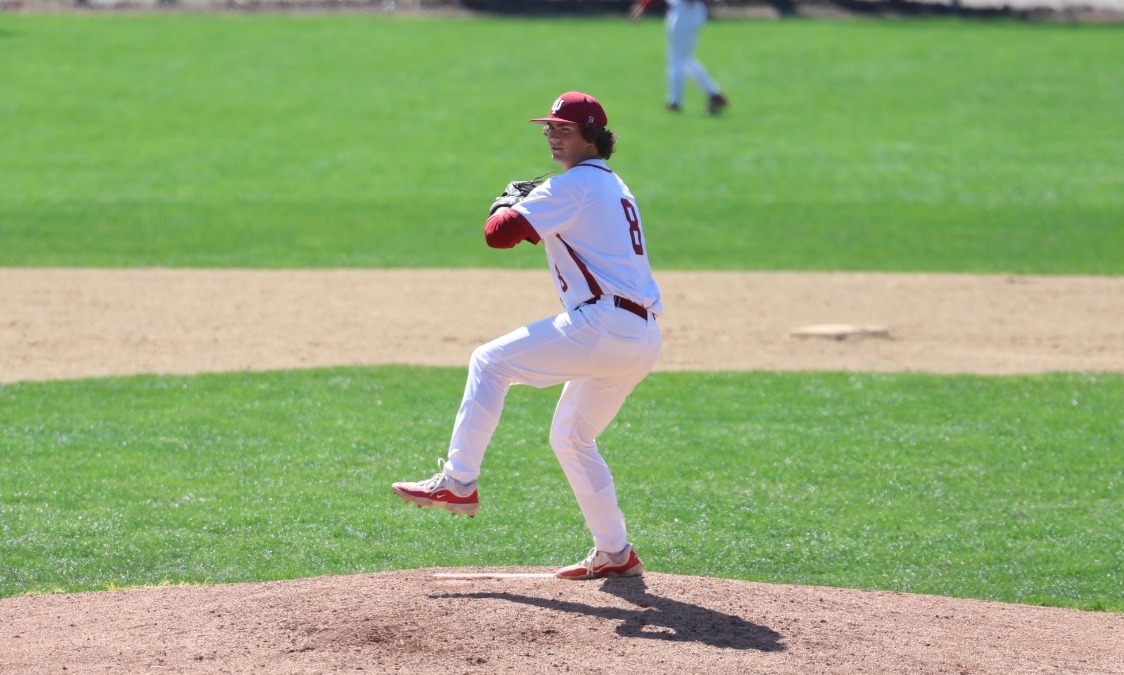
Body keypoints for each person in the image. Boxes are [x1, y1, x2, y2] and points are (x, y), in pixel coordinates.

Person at [392, 91, 664, 581]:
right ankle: (615, 552)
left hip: (604, 325)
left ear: (591, 137)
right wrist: (523, 206)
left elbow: (498, 234)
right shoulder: (612, 185)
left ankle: (458, 482)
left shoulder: (575, 184)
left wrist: (503, 201)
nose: (551, 135)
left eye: (563, 129)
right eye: (549, 128)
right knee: (572, 436)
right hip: (639, 335)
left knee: (489, 362)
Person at [629, 0, 729, 115]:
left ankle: (675, 102)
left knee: (677, 58)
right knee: (684, 59)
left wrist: (643, 6)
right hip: (693, 11)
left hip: (684, 12)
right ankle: (714, 94)